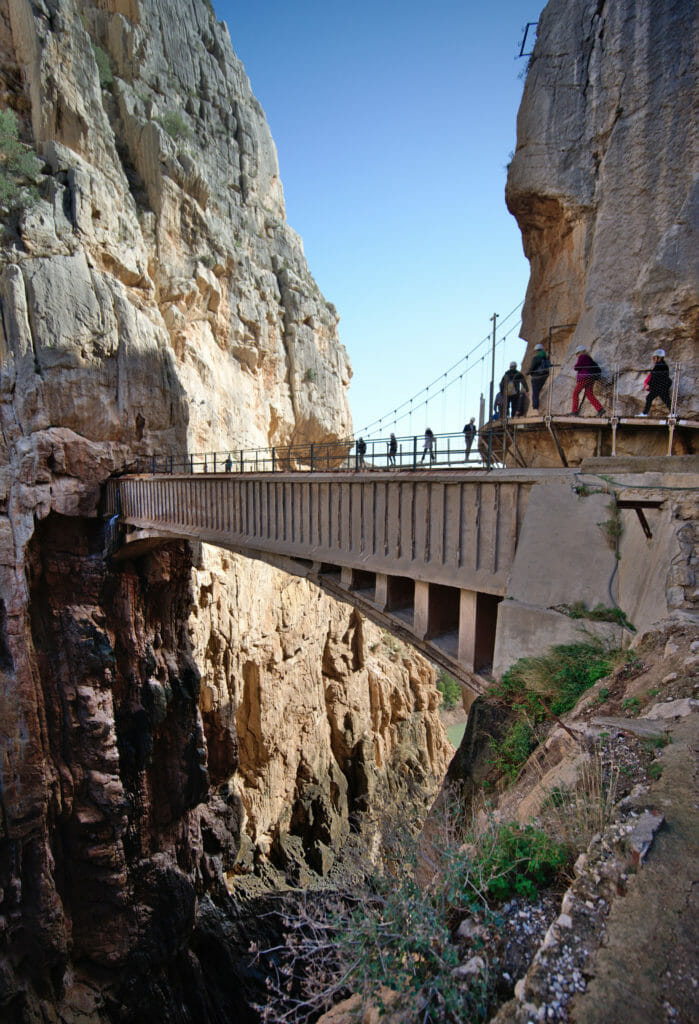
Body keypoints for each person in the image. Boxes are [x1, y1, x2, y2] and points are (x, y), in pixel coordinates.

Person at [571, 345, 605, 416]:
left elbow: (577, 367)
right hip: (591, 378)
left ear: (579, 352)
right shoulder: (589, 358)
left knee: (575, 393)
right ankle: (600, 409)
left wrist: (576, 366)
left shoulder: (582, 356)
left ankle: (574, 411)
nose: (577, 356)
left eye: (577, 354)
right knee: (589, 394)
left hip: (584, 377)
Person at [640, 349, 672, 416]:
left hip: (660, 386)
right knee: (666, 400)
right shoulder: (663, 365)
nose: (653, 360)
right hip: (661, 386)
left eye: (655, 358)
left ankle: (645, 413)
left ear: (659, 358)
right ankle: (673, 413)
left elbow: (654, 376)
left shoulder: (660, 366)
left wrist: (649, 384)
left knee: (650, 398)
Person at [527, 343, 550, 412]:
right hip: (544, 376)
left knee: (535, 392)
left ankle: (535, 407)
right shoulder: (546, 358)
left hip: (536, 377)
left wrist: (528, 372)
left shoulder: (536, 358)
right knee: (539, 390)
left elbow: (532, 367)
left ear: (536, 350)